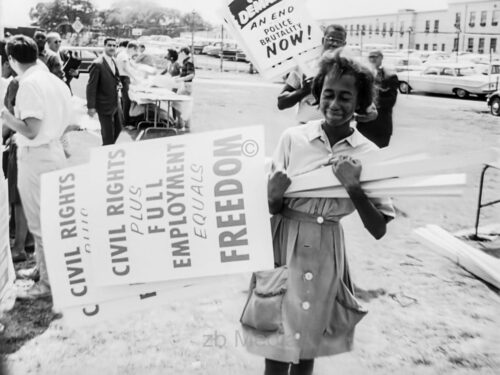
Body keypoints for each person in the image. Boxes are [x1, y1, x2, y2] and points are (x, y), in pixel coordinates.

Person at [241, 49, 395, 375]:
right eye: (328, 94)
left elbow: (379, 228)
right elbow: (270, 207)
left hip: (327, 252)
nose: (335, 104)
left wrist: (354, 187)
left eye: (345, 97)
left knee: (307, 345)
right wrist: (272, 195)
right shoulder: (293, 139)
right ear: (317, 95)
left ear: (360, 103)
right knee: (276, 341)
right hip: (283, 246)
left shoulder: (368, 154)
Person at [1, 35, 72, 299]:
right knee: (49, 219)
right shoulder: (53, 80)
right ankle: (43, 270)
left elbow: (31, 130)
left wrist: (6, 116)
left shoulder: (29, 84)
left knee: (40, 222)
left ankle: (47, 284)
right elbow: (69, 120)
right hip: (53, 151)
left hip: (37, 154)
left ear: (11, 59)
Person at [277, 25, 347, 124]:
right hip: (305, 129)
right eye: (331, 39)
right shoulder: (305, 66)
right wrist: (303, 91)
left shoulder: (349, 70)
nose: (334, 44)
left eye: (339, 41)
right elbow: (281, 103)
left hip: (335, 131)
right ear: (323, 40)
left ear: (344, 44)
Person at [356, 50, 399, 148]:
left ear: (381, 58)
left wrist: (370, 102)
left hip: (381, 126)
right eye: (370, 57)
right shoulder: (363, 76)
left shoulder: (389, 77)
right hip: (364, 126)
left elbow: (391, 101)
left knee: (379, 157)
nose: (372, 59)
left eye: (375, 57)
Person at [86, 38, 123, 145]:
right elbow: (91, 87)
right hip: (104, 105)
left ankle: (109, 151)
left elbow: (115, 77)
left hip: (116, 103)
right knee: (107, 135)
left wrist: (118, 83)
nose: (112, 48)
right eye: (109, 45)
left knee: (119, 131)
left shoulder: (114, 61)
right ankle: (106, 154)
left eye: (114, 46)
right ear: (104, 46)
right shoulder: (97, 64)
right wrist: (91, 107)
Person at [116, 41, 139, 125]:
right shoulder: (124, 55)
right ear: (132, 49)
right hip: (124, 78)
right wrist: (134, 77)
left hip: (122, 77)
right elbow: (125, 69)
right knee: (127, 100)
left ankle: (123, 118)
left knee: (124, 99)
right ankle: (126, 120)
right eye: (135, 51)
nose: (135, 53)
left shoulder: (123, 54)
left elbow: (129, 65)